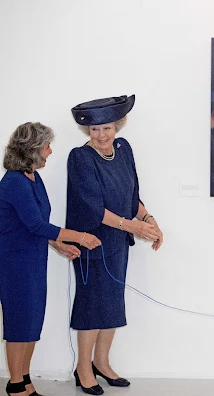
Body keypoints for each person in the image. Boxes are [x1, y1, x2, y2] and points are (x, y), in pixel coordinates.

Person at [67, 95, 164, 395]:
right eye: (95, 130)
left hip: (117, 244)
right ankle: (83, 368)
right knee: (91, 308)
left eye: (107, 128)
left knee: (111, 305)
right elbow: (92, 207)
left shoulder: (123, 150)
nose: (102, 135)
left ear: (117, 126)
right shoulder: (80, 158)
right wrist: (132, 225)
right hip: (92, 244)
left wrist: (149, 219)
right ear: (88, 131)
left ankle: (102, 363)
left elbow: (132, 196)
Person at [0, 122, 101, 396]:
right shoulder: (13, 182)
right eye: (46, 146)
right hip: (14, 263)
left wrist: (59, 245)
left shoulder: (33, 177)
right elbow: (34, 225)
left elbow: (38, 224)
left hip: (34, 259)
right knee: (19, 323)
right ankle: (15, 384)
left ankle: (25, 378)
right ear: (32, 149)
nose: (50, 151)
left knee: (32, 321)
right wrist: (78, 236)